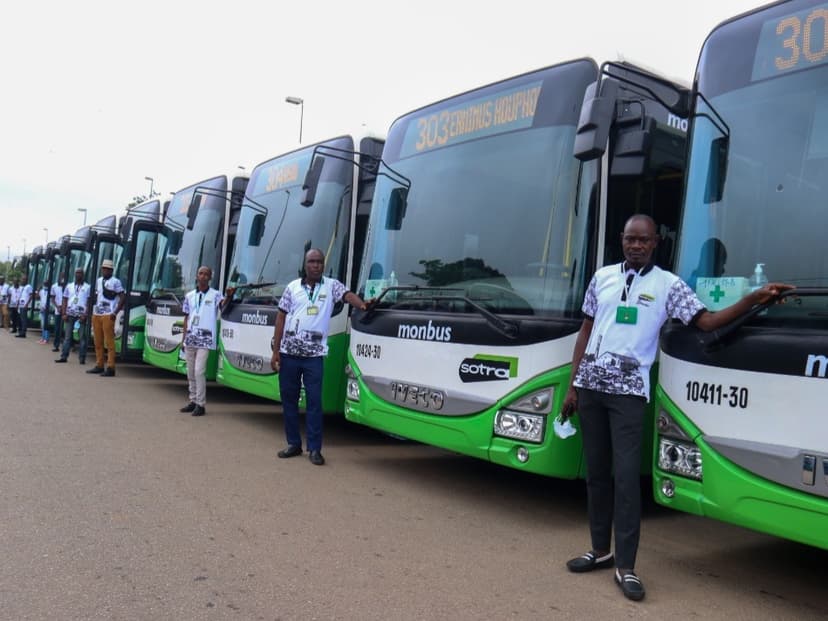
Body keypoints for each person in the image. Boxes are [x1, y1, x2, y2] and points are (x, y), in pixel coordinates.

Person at [562, 214, 793, 602]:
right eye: (630, 239)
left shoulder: (669, 286)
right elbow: (587, 329)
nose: (636, 245)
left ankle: (627, 566)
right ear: (622, 240)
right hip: (590, 390)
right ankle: (600, 550)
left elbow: (707, 321)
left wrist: (754, 298)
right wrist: (572, 386)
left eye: (644, 240)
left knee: (624, 480)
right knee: (597, 476)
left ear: (656, 243)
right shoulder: (601, 277)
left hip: (629, 395)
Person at [269, 248, 369, 466]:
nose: (315, 265)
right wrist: (276, 351)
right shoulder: (292, 288)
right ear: (305, 265)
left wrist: (361, 304)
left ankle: (315, 449)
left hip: (314, 357)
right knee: (289, 401)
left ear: (324, 265)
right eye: (311, 261)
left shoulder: (331, 285)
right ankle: (293, 444)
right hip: (289, 354)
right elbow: (280, 319)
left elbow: (347, 295)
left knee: (314, 402)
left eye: (319, 262)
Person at [179, 266, 228, 417]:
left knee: (199, 371)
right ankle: (192, 400)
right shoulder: (190, 296)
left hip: (205, 340)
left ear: (210, 277)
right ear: (196, 276)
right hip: (190, 338)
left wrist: (230, 297)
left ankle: (201, 404)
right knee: (190, 372)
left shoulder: (215, 295)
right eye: (201, 273)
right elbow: (187, 317)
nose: (203, 276)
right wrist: (183, 338)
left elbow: (223, 308)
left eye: (207, 274)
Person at [87, 259, 125, 377]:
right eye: (103, 268)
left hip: (109, 314)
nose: (105, 270)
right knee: (97, 341)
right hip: (97, 313)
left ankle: (110, 367)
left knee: (109, 342)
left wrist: (115, 312)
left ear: (111, 270)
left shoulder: (116, 282)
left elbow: (123, 297)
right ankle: (99, 364)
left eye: (107, 269)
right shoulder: (99, 281)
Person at [55, 267, 90, 364]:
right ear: (74, 274)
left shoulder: (88, 287)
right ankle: (63, 357)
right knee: (67, 337)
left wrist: (85, 314)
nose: (78, 275)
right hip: (69, 315)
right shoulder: (69, 286)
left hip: (81, 316)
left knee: (82, 337)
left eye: (80, 273)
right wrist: (63, 313)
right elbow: (65, 299)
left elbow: (89, 302)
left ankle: (82, 358)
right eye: (77, 273)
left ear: (83, 275)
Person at [51, 274, 65, 351]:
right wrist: (57, 307)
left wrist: (64, 307)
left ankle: (68, 345)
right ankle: (56, 345)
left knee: (65, 328)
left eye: (63, 277)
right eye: (61, 277)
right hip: (58, 310)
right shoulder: (54, 286)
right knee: (57, 328)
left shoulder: (68, 286)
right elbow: (52, 299)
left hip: (66, 310)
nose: (62, 279)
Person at [37, 279, 51, 344]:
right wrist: (38, 289)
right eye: (44, 284)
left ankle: (46, 338)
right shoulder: (42, 291)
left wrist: (49, 307)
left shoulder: (50, 291)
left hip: (47, 309)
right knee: (42, 325)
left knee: (46, 324)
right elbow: (38, 297)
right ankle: (42, 338)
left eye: (46, 284)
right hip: (42, 309)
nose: (45, 285)